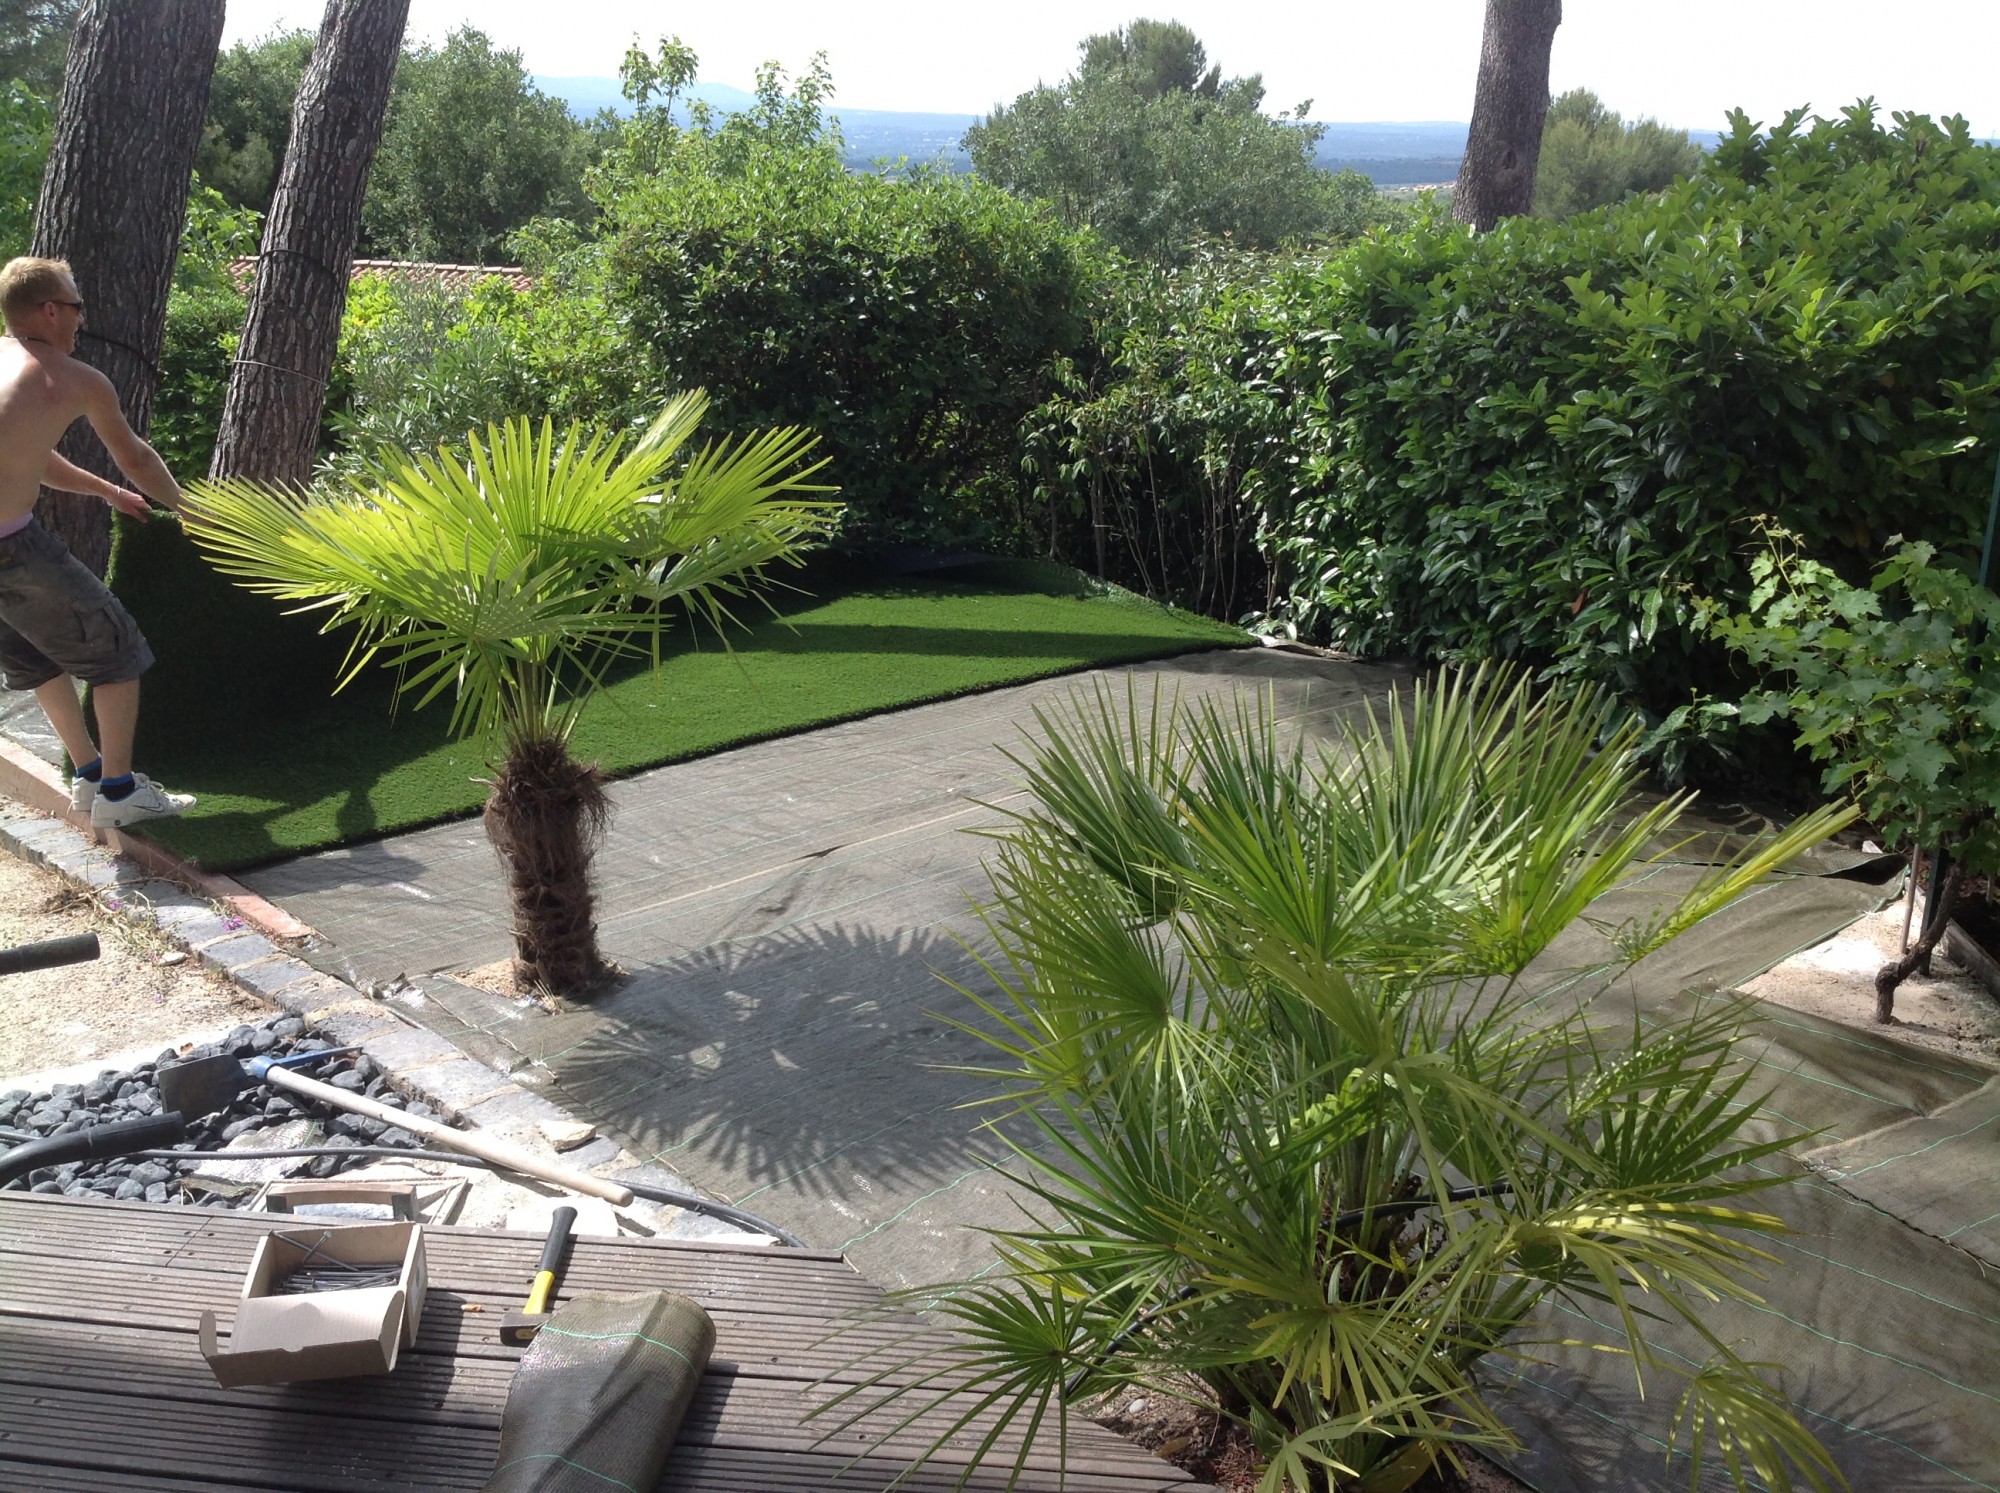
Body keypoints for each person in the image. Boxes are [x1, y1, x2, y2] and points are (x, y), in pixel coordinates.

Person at [0, 255, 194, 829]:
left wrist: (106, 492)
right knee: (118, 652)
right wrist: (188, 509)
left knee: (35, 660)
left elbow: (31, 456)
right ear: (51, 310)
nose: (82, 320)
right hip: (13, 550)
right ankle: (119, 794)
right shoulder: (77, 379)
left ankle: (87, 778)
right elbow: (134, 454)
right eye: (77, 307)